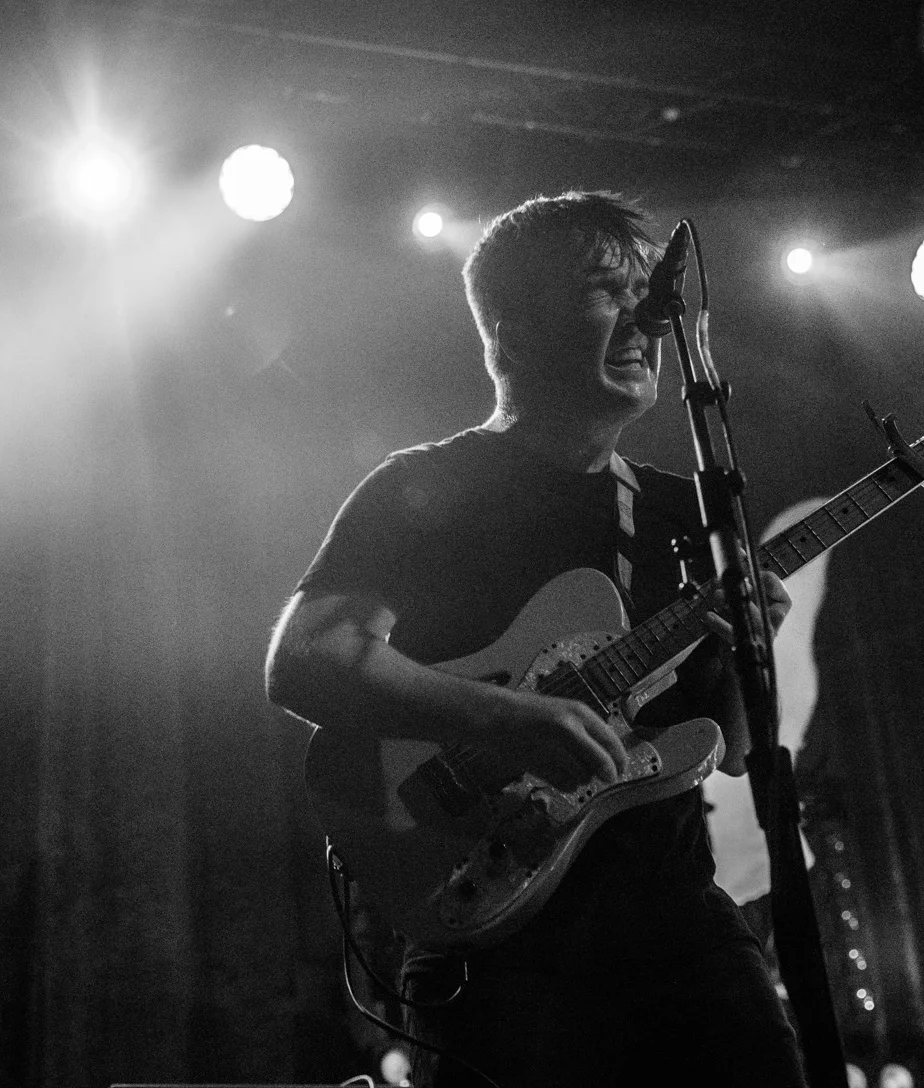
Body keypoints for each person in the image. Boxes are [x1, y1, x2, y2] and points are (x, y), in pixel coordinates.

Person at [264, 191, 806, 1087]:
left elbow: (737, 750)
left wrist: (751, 645)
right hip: (498, 918)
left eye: (646, 292)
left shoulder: (685, 511)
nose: (644, 318)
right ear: (512, 334)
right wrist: (502, 719)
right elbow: (306, 660)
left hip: (677, 918)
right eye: (605, 290)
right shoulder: (425, 487)